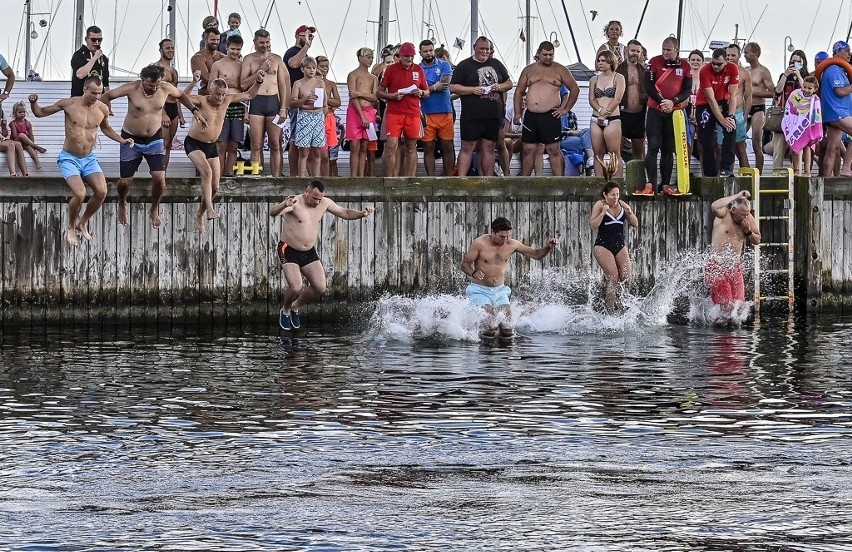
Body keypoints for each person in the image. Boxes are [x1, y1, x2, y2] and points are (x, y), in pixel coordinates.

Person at [28, 76, 132, 246]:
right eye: (93, 93)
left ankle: (82, 222)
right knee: (80, 193)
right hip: (69, 158)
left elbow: (106, 128)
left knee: (101, 191)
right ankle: (70, 226)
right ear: (85, 89)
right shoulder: (69, 104)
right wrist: (34, 104)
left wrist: (122, 140)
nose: (96, 97)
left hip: (89, 159)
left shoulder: (102, 108)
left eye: (99, 93)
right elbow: (40, 113)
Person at [101, 64, 202, 228]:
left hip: (154, 138)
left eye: (156, 85)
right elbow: (107, 96)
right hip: (131, 139)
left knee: (160, 179)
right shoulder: (131, 88)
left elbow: (182, 96)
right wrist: (104, 114)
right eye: (150, 85)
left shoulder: (165, 88)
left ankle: (154, 208)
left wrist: (195, 110)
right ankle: (122, 201)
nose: (154, 89)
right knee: (125, 182)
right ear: (142, 81)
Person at [270, 180, 375, 330]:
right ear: (307, 192)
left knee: (320, 286)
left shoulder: (324, 203)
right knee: (296, 286)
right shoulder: (295, 203)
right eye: (314, 198)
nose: (318, 202)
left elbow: (344, 212)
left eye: (320, 198)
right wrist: (283, 205)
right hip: (288, 249)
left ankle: (295, 306)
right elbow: (273, 212)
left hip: (308, 251)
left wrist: (362, 214)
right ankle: (285, 309)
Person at [184, 74, 265, 233]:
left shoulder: (228, 99)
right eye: (217, 94)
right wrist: (194, 82)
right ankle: (210, 209)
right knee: (206, 172)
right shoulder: (202, 100)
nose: (220, 98)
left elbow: (249, 94)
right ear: (210, 91)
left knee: (215, 187)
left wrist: (259, 81)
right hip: (193, 143)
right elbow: (182, 97)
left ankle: (199, 214)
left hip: (211, 146)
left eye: (223, 94)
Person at [460, 216, 558, 338]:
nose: (505, 239)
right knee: (490, 327)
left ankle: (504, 356)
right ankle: (484, 352)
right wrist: (473, 273)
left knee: (507, 329)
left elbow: (536, 255)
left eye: (507, 236)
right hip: (480, 291)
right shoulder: (479, 243)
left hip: (500, 292)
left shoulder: (512, 244)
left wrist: (548, 247)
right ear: (493, 232)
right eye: (501, 236)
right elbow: (465, 264)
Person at [512, 40, 579, 177]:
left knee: (553, 149)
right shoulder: (529, 70)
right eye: (545, 54)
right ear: (538, 54)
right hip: (531, 115)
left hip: (551, 115)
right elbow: (519, 91)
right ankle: (525, 182)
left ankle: (559, 182)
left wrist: (565, 109)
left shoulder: (560, 69)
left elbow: (575, 89)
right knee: (528, 149)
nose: (548, 57)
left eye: (551, 54)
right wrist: (518, 113)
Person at [450, 36, 512, 177]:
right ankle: (461, 180)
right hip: (472, 115)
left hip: (492, 114)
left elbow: (508, 83)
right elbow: (453, 87)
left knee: (488, 148)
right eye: (482, 49)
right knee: (467, 147)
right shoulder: (464, 65)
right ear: (474, 48)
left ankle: (488, 180)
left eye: (487, 49)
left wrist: (500, 86)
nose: (484, 52)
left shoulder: (496, 63)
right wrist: (472, 90)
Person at [637, 37, 691, 195]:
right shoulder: (654, 62)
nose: (665, 52)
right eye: (663, 49)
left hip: (673, 112)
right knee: (653, 146)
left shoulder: (685, 66)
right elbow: (648, 86)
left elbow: (686, 90)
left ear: (676, 50)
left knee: (668, 149)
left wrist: (673, 102)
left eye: (668, 50)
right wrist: (662, 102)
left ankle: (665, 184)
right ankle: (649, 184)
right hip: (655, 110)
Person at [240, 29, 289, 177]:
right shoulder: (249, 59)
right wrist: (260, 70)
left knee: (275, 144)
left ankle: (276, 177)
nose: (265, 45)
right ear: (255, 43)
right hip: (256, 101)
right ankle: (256, 176)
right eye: (261, 43)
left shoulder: (277, 59)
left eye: (267, 42)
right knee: (256, 145)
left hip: (273, 102)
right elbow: (243, 84)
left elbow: (282, 85)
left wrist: (283, 108)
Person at [707, 190, 761, 323]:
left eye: (746, 214)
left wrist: (748, 232)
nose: (744, 218)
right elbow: (714, 206)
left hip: (734, 266)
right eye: (742, 215)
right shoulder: (724, 214)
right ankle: (719, 335)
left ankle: (735, 339)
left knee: (739, 308)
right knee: (727, 309)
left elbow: (758, 240)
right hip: (717, 266)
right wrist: (737, 196)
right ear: (733, 209)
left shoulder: (748, 218)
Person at [378, 42, 428, 177]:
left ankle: (410, 179)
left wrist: (421, 93)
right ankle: (389, 179)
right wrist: (392, 96)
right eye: (406, 56)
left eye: (412, 56)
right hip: (394, 113)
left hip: (412, 113)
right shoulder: (391, 69)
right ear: (399, 56)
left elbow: (427, 91)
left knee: (411, 147)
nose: (409, 59)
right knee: (391, 146)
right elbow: (379, 92)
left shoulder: (418, 69)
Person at [589, 177, 638, 313]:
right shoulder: (600, 204)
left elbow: (635, 224)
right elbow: (593, 225)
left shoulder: (622, 204)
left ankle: (624, 308)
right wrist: (603, 213)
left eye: (617, 194)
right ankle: (609, 312)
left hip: (619, 245)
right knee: (613, 277)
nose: (615, 197)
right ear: (605, 194)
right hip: (602, 245)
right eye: (612, 195)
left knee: (627, 278)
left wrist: (630, 213)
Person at [695, 48, 739, 178]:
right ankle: (710, 174)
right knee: (706, 139)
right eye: (713, 63)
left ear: (726, 61)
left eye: (719, 64)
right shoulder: (705, 70)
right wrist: (722, 120)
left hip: (723, 101)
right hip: (705, 103)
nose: (715, 66)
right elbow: (710, 98)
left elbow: (733, 95)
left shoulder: (733, 68)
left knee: (731, 129)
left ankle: (727, 168)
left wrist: (730, 117)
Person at [210, 34, 246, 177]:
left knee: (234, 144)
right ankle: (218, 174)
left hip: (239, 105)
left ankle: (230, 173)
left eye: (238, 49)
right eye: (232, 49)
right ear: (226, 47)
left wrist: (233, 84)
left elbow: (245, 86)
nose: (235, 52)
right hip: (222, 106)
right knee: (222, 143)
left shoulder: (242, 65)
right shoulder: (218, 65)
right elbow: (210, 86)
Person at [284, 24, 317, 176]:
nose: (309, 38)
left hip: (309, 104)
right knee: (295, 140)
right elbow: (293, 64)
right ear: (298, 36)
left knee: (306, 143)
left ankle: (306, 174)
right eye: (306, 35)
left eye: (311, 36)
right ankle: (293, 174)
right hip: (296, 101)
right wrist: (306, 47)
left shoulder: (306, 56)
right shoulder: (293, 51)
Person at [419, 40, 456, 176]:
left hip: (445, 111)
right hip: (426, 112)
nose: (428, 53)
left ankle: (449, 177)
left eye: (430, 50)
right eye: (425, 51)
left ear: (433, 50)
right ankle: (430, 179)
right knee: (428, 147)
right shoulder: (417, 69)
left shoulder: (444, 64)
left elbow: (445, 83)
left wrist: (427, 88)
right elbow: (418, 90)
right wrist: (434, 87)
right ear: (420, 53)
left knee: (447, 146)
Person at [587, 49, 625, 178]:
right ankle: (598, 181)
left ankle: (617, 181)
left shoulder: (618, 78)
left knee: (614, 153)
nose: (600, 63)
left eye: (603, 60)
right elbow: (591, 99)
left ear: (610, 61)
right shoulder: (594, 79)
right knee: (597, 154)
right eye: (599, 60)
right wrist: (599, 110)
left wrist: (607, 111)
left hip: (613, 118)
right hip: (596, 118)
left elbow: (617, 99)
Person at [819, 41, 852, 177]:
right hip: (837, 112)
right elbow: (840, 91)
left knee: (833, 149)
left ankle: (825, 180)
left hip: (834, 113)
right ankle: (846, 168)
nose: (849, 53)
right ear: (838, 52)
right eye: (847, 50)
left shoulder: (839, 69)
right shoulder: (834, 69)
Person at [290, 57, 327, 176]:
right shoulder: (298, 83)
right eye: (309, 67)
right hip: (304, 117)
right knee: (304, 152)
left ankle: (316, 178)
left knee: (317, 152)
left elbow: (325, 104)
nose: (311, 70)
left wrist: (322, 116)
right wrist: (305, 100)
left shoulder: (320, 83)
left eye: (314, 68)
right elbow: (292, 103)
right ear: (302, 69)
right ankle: (301, 178)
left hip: (318, 117)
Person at [772, 50, 808, 170]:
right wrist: (785, 75)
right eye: (793, 61)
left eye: (798, 61)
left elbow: (806, 92)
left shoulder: (807, 77)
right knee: (778, 149)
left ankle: (798, 172)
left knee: (798, 149)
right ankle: (777, 173)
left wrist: (799, 76)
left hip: (800, 118)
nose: (795, 64)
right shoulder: (784, 76)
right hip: (785, 116)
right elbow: (777, 91)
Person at [346, 47, 379, 177]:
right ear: (360, 58)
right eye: (368, 57)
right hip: (355, 112)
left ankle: (361, 176)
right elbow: (352, 97)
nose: (370, 60)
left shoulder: (373, 78)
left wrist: (360, 93)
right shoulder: (353, 75)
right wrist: (362, 115)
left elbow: (374, 97)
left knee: (364, 147)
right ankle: (354, 177)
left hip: (369, 111)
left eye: (371, 57)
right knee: (354, 146)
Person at [720, 44, 752, 171]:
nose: (730, 57)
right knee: (721, 146)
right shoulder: (720, 70)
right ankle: (723, 174)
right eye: (727, 55)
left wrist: (745, 115)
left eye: (733, 55)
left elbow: (748, 96)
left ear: (739, 56)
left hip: (738, 113)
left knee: (739, 147)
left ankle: (748, 176)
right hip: (722, 113)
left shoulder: (744, 73)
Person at [743, 42, 774, 173]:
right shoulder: (746, 71)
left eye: (747, 52)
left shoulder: (763, 71)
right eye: (744, 53)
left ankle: (759, 173)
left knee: (756, 142)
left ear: (756, 53)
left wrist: (753, 92)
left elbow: (773, 92)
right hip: (745, 107)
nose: (745, 55)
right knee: (738, 141)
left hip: (758, 108)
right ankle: (746, 169)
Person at [782, 76, 823, 176]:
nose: (806, 90)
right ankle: (796, 169)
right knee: (795, 145)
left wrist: (815, 128)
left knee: (808, 146)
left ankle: (807, 171)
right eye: (804, 87)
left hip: (808, 125)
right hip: (795, 124)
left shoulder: (815, 100)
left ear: (815, 89)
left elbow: (817, 115)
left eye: (809, 88)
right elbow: (789, 107)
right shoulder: (795, 94)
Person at [616, 39, 647, 161]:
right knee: (617, 150)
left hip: (639, 115)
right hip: (622, 114)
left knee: (638, 152)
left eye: (638, 51)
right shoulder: (618, 70)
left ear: (641, 54)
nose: (635, 53)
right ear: (627, 51)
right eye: (633, 50)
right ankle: (616, 178)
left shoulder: (644, 71)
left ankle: (639, 179)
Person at [156, 38, 183, 170]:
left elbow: (177, 94)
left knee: (169, 145)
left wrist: (181, 115)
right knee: (163, 143)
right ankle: (159, 173)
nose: (171, 50)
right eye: (167, 48)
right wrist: (163, 113)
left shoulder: (174, 71)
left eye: (172, 48)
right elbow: (155, 94)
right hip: (164, 107)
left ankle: (164, 173)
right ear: (161, 50)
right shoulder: (157, 69)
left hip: (174, 109)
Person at [316, 55, 342, 176]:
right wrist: (329, 101)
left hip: (329, 119)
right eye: (322, 66)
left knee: (329, 155)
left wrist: (325, 100)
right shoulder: (313, 82)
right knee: (318, 153)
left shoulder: (331, 84)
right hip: (317, 117)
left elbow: (338, 102)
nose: (325, 69)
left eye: (327, 66)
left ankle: (327, 179)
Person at [9, 101, 46, 170]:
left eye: (23, 112)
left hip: (24, 143)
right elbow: (14, 136)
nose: (22, 114)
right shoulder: (13, 123)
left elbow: (31, 135)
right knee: (21, 135)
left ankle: (37, 162)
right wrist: (24, 136)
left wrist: (32, 145)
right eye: (20, 112)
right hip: (16, 142)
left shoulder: (28, 123)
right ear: (14, 113)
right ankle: (37, 147)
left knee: (30, 148)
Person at [190, 27, 225, 96]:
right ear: (205, 40)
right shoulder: (197, 58)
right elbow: (207, 79)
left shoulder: (222, 56)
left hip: (222, 98)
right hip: (205, 98)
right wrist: (224, 77)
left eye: (218, 39)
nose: (215, 42)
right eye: (212, 39)